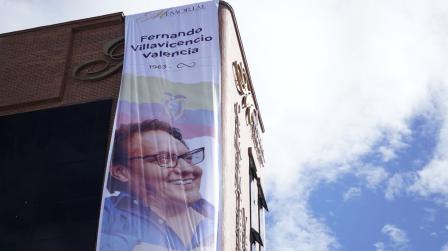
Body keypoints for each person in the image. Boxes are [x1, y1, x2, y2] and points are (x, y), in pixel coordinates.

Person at [99, 119, 214, 251]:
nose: (188, 169)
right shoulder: (106, 214)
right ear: (121, 172)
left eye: (188, 158)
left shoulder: (219, 215)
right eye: (164, 158)